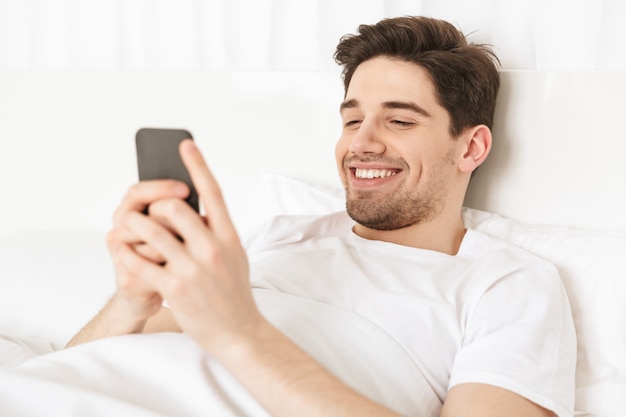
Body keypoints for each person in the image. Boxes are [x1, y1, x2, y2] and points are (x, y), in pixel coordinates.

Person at [66, 16, 576, 417]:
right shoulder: (282, 236)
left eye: (398, 120)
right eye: (352, 119)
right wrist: (130, 301)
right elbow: (71, 367)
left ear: (471, 147)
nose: (361, 143)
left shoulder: (507, 285)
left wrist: (240, 333)